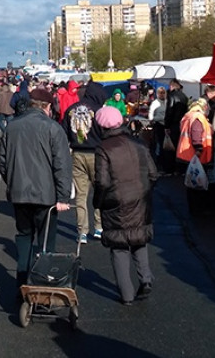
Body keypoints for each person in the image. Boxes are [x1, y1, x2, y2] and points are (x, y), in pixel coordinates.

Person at [0, 87, 72, 288]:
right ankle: (43, 285)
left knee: (24, 237)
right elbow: (62, 165)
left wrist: (14, 181)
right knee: (46, 241)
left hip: (19, 194)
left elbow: (2, 162)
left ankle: (22, 283)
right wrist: (63, 198)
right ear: (47, 107)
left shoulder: (11, 127)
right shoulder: (53, 128)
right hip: (46, 196)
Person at [93, 106, 158, 306]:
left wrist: (98, 201)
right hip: (140, 198)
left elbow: (102, 182)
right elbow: (153, 173)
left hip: (116, 201)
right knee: (139, 239)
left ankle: (127, 294)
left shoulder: (104, 148)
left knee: (119, 247)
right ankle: (145, 278)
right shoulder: (138, 143)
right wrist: (145, 190)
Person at [62, 80, 107, 244]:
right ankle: (99, 227)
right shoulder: (99, 111)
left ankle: (82, 231)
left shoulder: (71, 110)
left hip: (77, 154)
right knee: (100, 191)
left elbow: (64, 133)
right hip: (97, 154)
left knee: (81, 195)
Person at [176, 98, 213, 215]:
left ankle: (194, 209)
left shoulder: (188, 116)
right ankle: (199, 210)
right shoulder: (198, 117)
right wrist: (199, 149)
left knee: (192, 184)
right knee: (198, 183)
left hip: (188, 155)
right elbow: (196, 135)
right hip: (197, 156)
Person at [165, 78, 189, 166]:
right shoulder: (184, 96)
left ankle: (172, 167)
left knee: (171, 147)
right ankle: (181, 166)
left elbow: (169, 111)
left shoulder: (171, 96)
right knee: (181, 145)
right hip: (182, 124)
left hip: (173, 124)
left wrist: (166, 126)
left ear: (172, 86)